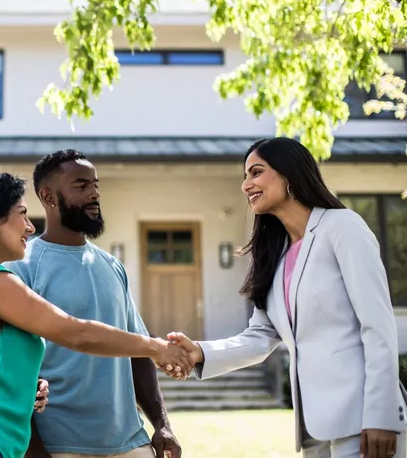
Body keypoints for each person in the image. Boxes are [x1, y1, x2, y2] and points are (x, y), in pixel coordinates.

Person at [0, 172, 192, 458]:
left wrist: (23, 387)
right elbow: (75, 333)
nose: (30, 227)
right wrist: (155, 347)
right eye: (22, 214)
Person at [166, 137, 407, 458]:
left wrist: (382, 414)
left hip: (363, 422)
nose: (245, 185)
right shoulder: (276, 256)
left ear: (289, 175)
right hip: (314, 429)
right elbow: (260, 337)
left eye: (256, 172)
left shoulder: (343, 227)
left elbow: (378, 326)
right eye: (244, 176)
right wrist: (198, 352)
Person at [4, 150, 186, 458]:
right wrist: (36, 452)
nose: (94, 194)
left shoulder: (112, 266)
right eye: (81, 185)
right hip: (60, 446)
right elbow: (13, 367)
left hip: (130, 442)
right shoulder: (21, 268)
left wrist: (162, 423)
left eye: (95, 185)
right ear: (48, 195)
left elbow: (138, 354)